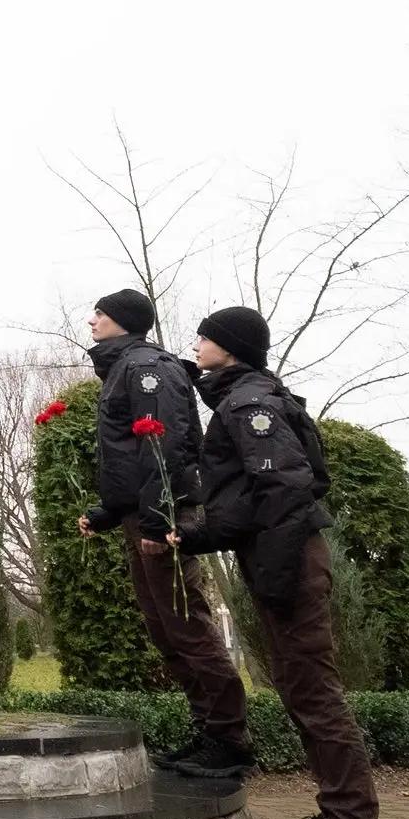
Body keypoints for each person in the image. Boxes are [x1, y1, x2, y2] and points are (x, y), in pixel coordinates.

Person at [162, 305, 385, 819]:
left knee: (314, 695)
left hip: (287, 561)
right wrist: (195, 536)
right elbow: (245, 502)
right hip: (280, 557)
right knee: (302, 689)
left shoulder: (249, 405)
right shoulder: (244, 396)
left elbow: (285, 490)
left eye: (205, 337)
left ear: (230, 348)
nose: (196, 344)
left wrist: (279, 579)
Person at [73, 290, 250, 778]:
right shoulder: (124, 367)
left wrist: (156, 520)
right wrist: (108, 512)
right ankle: (209, 732)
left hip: (163, 520)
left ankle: (230, 740)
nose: (91, 320)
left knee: (187, 626)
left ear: (123, 321)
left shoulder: (148, 368)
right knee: (167, 629)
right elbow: (131, 459)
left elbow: (164, 447)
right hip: (143, 517)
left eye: (100, 313)